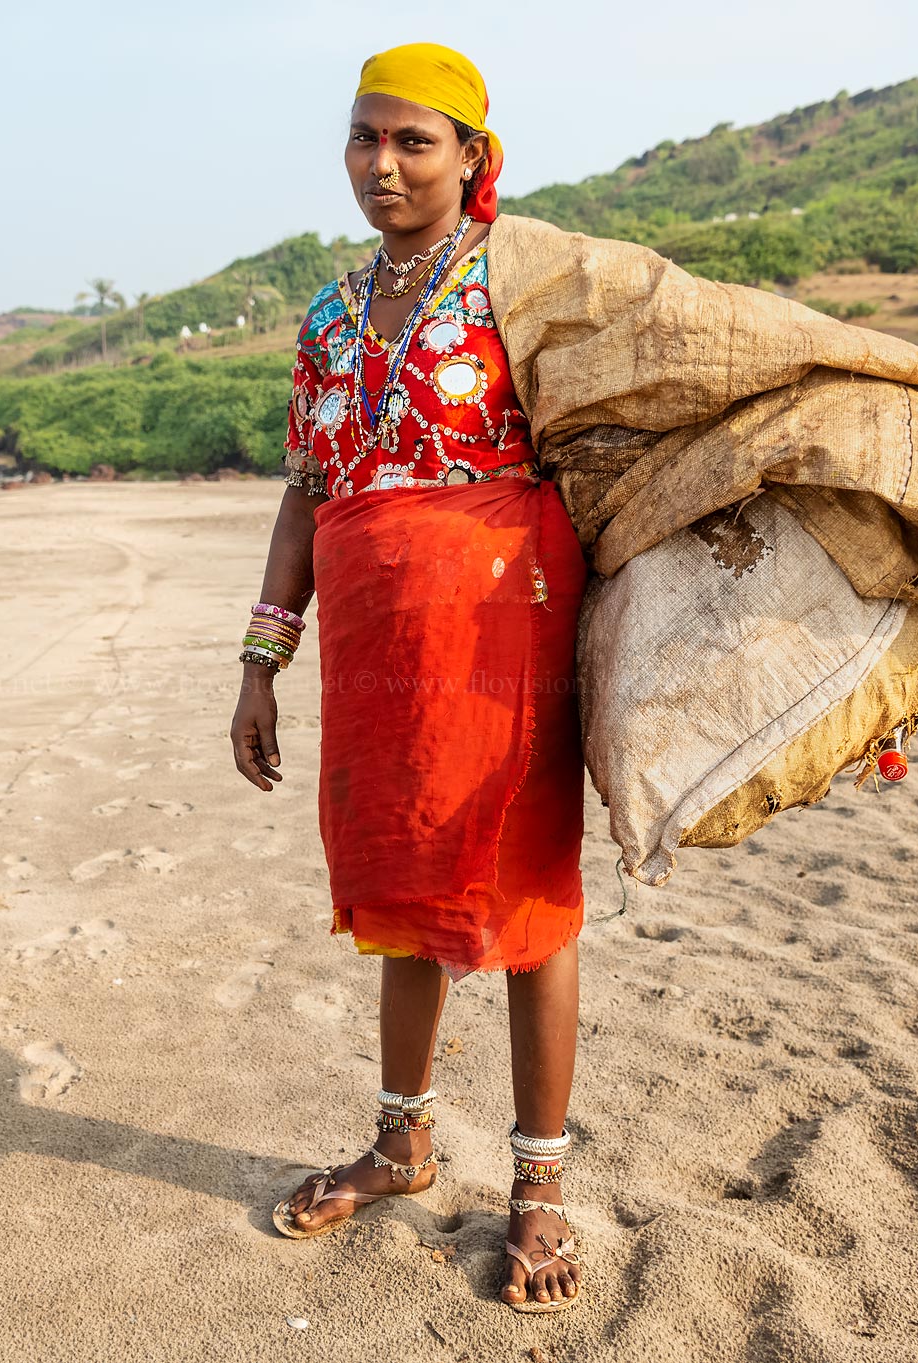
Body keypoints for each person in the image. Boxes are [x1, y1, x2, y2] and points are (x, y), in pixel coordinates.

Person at [228, 42, 588, 1315]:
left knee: (523, 883)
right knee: (397, 879)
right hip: (374, 647)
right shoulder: (328, 314)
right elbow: (305, 486)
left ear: (471, 158)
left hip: (503, 631)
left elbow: (603, 444)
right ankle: (403, 1143)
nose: (381, 163)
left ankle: (538, 1181)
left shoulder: (523, 284)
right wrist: (263, 656)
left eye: (412, 141)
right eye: (362, 138)